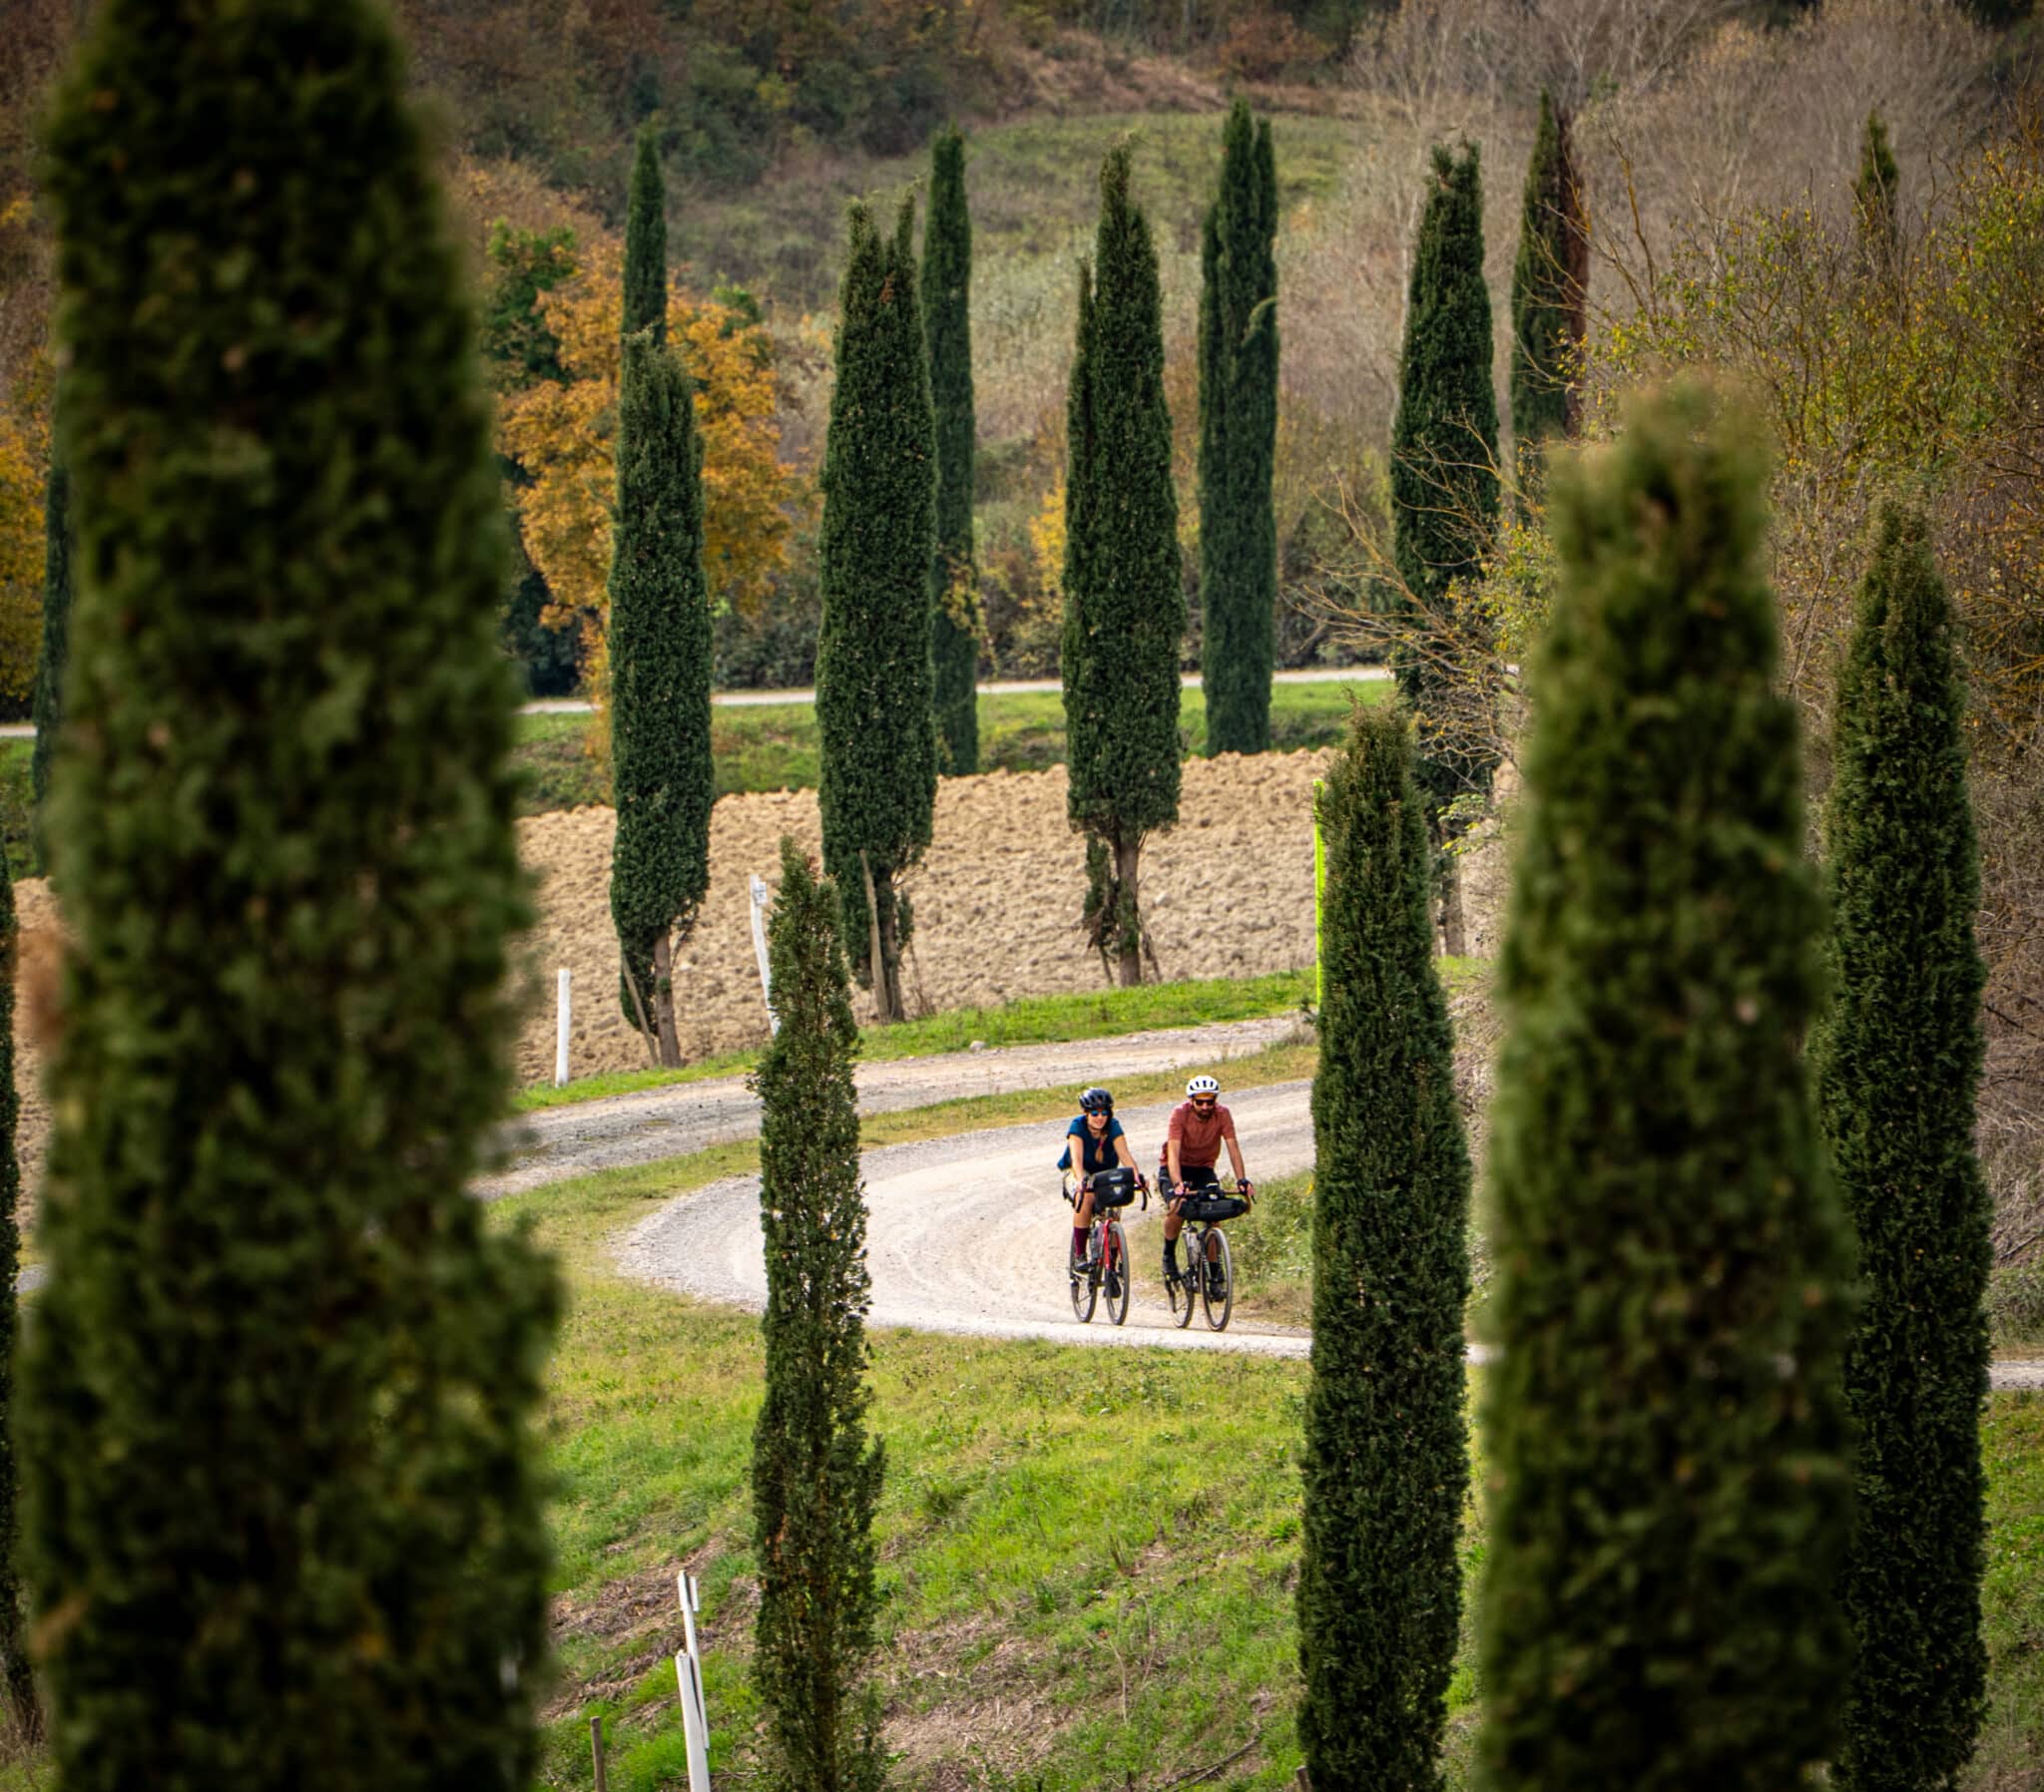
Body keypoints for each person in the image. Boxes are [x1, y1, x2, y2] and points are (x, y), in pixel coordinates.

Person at [1160, 1074, 1254, 1287]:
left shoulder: (1223, 1114)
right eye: (1199, 1102)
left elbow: (1233, 1147)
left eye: (1209, 1101)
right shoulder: (1179, 1114)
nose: (1204, 1106)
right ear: (1191, 1101)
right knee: (1177, 1206)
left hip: (1203, 1168)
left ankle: (1214, 1269)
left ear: (1215, 1101)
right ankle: (1168, 1256)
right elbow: (1173, 1152)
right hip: (1175, 1168)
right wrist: (1177, 1184)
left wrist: (1242, 1180)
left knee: (1214, 1213)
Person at [1058, 1087, 1140, 1271]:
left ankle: (1111, 1265)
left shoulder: (1113, 1126)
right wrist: (1080, 1180)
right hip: (1080, 1171)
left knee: (1114, 1209)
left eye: (1104, 1112)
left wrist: (1136, 1176)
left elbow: (1125, 1156)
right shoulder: (1077, 1127)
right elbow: (1076, 1161)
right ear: (1086, 1113)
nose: (1100, 1117)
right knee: (1085, 1197)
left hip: (1105, 1174)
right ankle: (1080, 1254)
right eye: (1094, 1112)